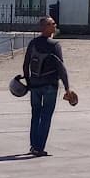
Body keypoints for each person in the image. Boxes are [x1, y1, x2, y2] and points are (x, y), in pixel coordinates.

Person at [21, 16, 77, 157]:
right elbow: (61, 67)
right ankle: (39, 148)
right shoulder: (54, 45)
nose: (55, 25)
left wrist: (28, 83)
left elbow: (25, 64)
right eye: (52, 24)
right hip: (50, 86)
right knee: (46, 116)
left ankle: (34, 146)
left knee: (35, 115)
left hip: (35, 85)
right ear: (45, 27)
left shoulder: (33, 43)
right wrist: (67, 87)